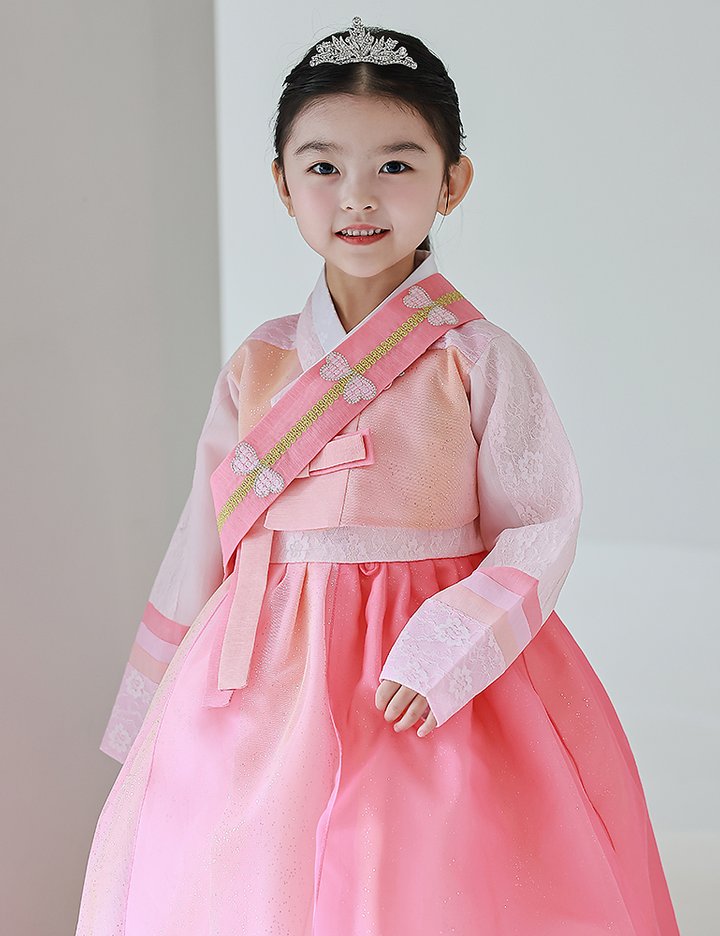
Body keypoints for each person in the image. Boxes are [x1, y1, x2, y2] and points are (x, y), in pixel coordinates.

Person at [74, 16, 681, 935]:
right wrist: (154, 699)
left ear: (453, 181)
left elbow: (541, 521)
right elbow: (207, 532)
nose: (358, 196)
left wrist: (452, 645)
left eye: (396, 164)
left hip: (424, 673)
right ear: (282, 184)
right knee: (246, 869)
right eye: (323, 166)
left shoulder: (476, 357)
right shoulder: (259, 363)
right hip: (268, 666)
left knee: (420, 873)